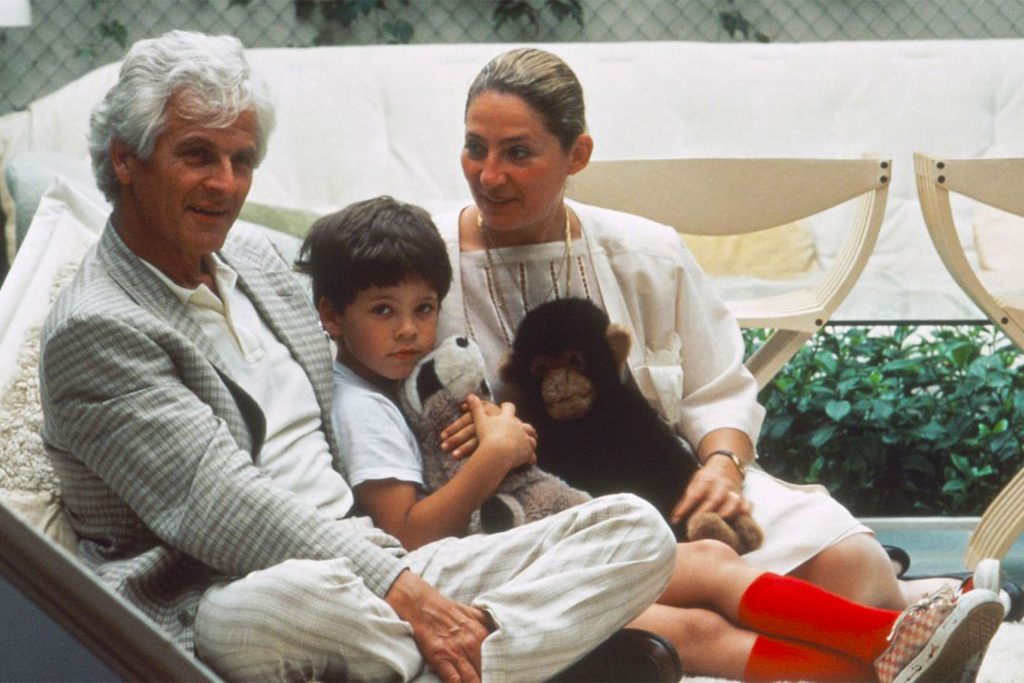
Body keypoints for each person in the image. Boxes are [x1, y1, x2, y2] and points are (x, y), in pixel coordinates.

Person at [37, 31, 682, 683]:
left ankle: (468, 662)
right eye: (197, 155)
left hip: (368, 556)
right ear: (126, 158)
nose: (224, 184)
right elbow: (219, 504)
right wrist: (404, 590)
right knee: (287, 607)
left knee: (638, 531)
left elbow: (368, 368)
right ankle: (540, 657)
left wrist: (465, 443)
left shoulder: (255, 260)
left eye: (241, 159)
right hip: (230, 592)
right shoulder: (96, 326)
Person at [424, 45, 1009, 676]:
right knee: (702, 619)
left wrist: (723, 468)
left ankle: (904, 607)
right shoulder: (423, 263)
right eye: (474, 147)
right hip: (537, 518)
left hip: (672, 484)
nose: (489, 175)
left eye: (517, 152)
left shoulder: (646, 250)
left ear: (578, 155)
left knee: (854, 571)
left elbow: (718, 389)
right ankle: (920, 617)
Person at [298, 188, 1005, 683]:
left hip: (517, 544)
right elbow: (412, 537)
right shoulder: (363, 405)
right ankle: (886, 652)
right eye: (384, 310)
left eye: (424, 308)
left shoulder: (404, 379)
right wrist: (497, 455)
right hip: (480, 570)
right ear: (332, 315)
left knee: (709, 569)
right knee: (695, 611)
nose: (410, 329)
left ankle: (889, 645)